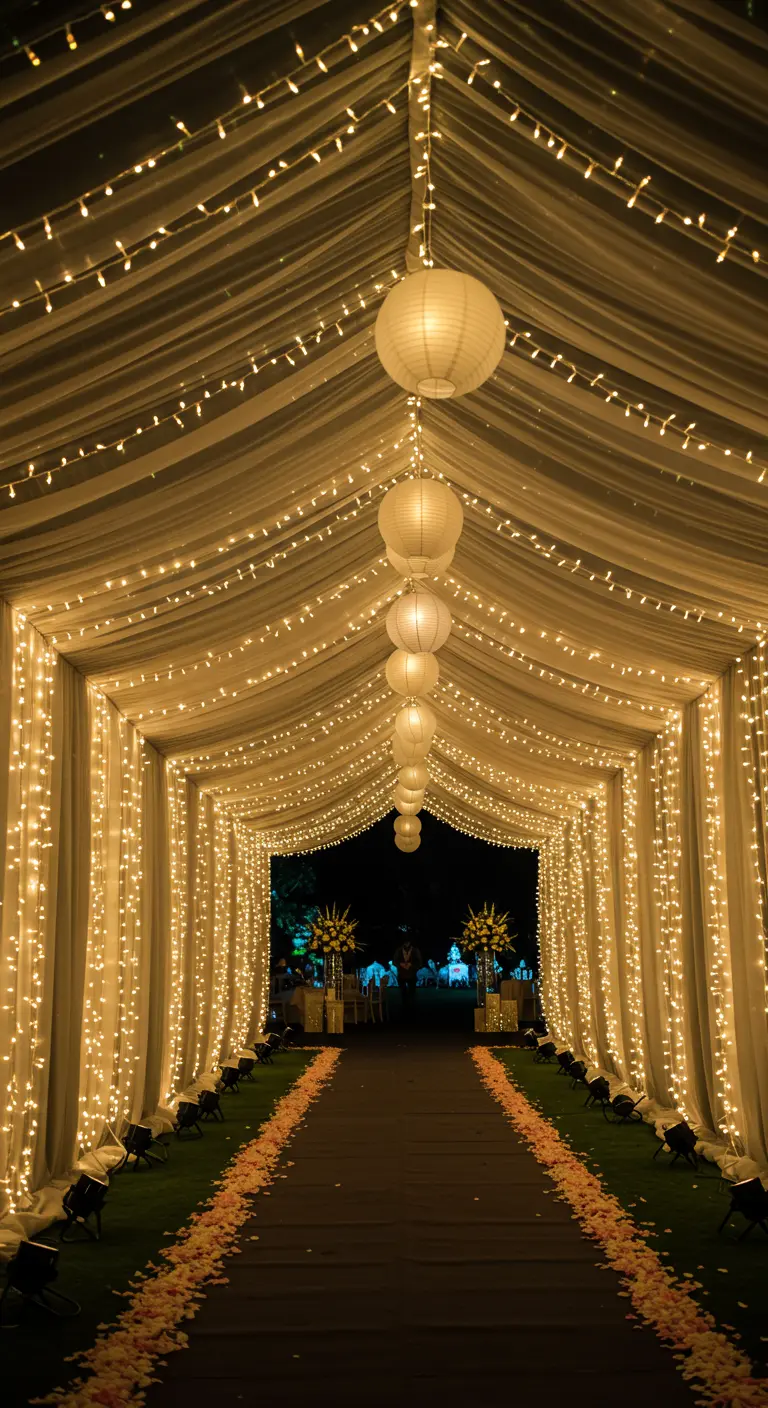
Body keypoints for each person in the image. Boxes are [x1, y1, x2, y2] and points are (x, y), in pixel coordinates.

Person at [393, 937, 422, 1016]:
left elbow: (419, 962)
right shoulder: (399, 950)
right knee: (403, 992)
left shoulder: (415, 950)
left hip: (411, 973)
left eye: (408, 942)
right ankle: (404, 1007)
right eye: (405, 942)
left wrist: (411, 964)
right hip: (402, 973)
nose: (407, 944)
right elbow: (395, 961)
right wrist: (400, 964)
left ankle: (412, 1007)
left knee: (412, 992)